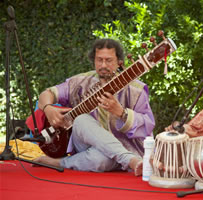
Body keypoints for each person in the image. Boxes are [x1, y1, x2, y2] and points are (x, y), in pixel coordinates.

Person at [33, 38, 155, 176]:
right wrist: (48, 108)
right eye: (99, 60)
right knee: (81, 120)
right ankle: (130, 160)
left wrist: (121, 113)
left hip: (123, 148)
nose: (103, 65)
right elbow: (46, 94)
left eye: (108, 60)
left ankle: (59, 163)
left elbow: (148, 125)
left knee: (100, 160)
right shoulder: (80, 82)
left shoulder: (136, 90)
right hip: (86, 145)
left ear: (119, 62)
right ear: (94, 60)